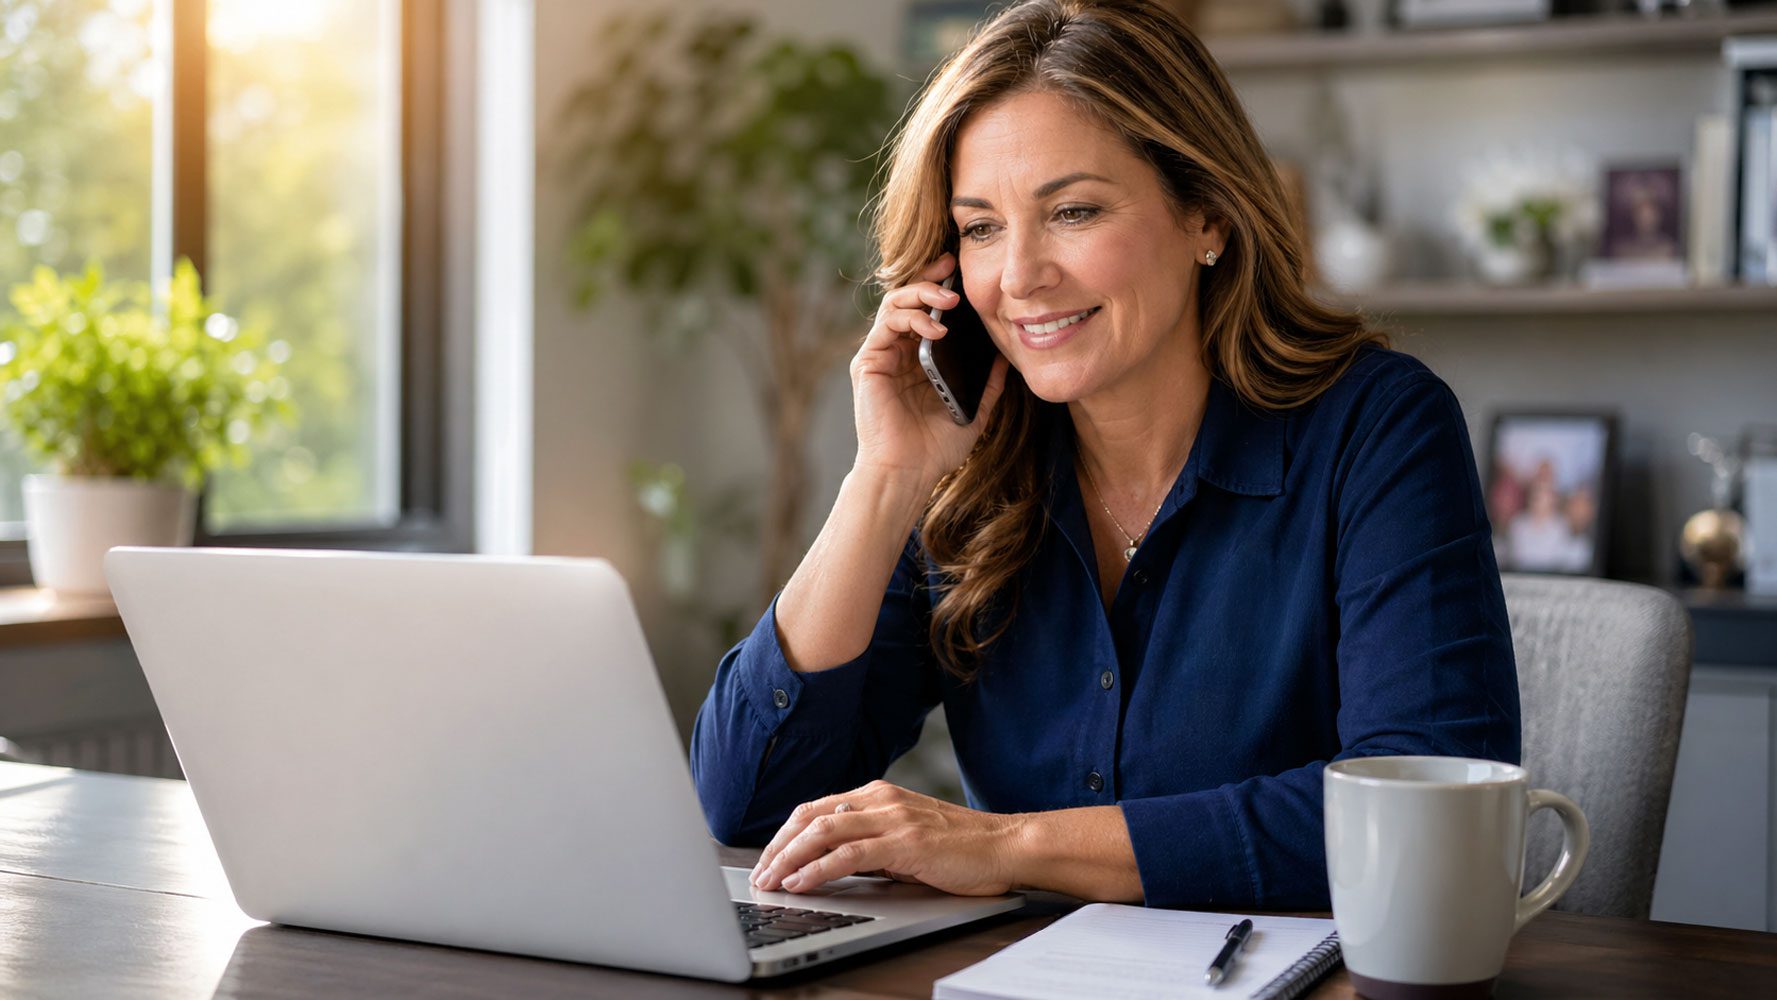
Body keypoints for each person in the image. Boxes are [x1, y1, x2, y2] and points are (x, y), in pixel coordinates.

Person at [689, 0, 1519, 910]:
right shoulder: (973, 469)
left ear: (1206, 214)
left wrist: (1010, 846)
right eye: (979, 228)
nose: (1017, 277)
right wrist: (882, 479)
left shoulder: (1377, 429)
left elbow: (1426, 816)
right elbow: (744, 803)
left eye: (1073, 211)